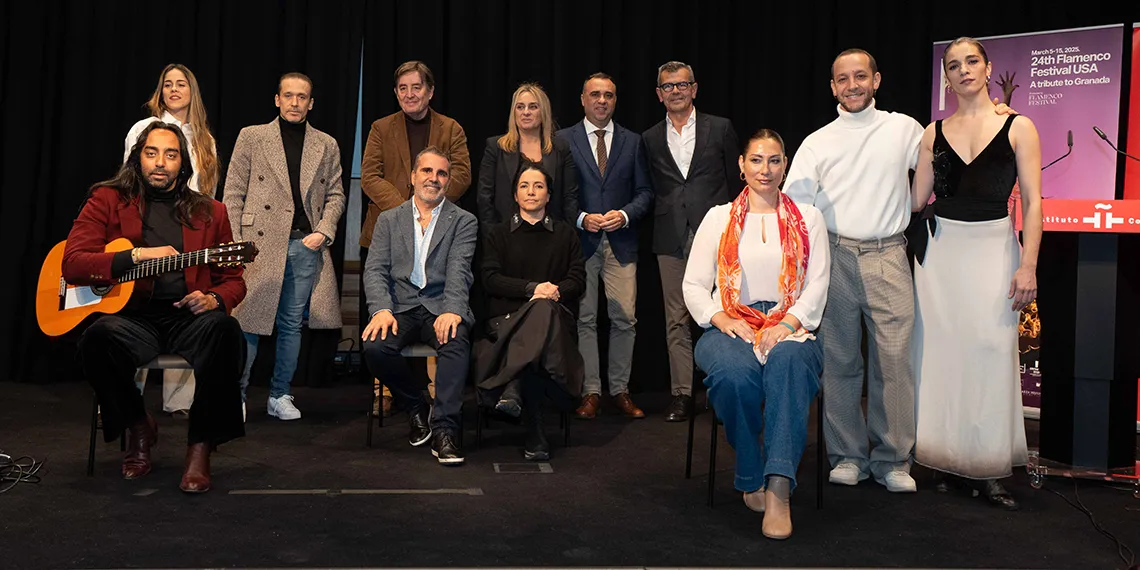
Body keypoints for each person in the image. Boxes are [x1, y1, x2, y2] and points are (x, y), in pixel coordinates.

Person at [783, 48, 1015, 492]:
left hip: (889, 253)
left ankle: (892, 460)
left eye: (860, 76)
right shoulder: (817, 141)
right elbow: (797, 209)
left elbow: (951, 152)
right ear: (832, 87)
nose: (852, 85)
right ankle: (847, 455)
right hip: (833, 256)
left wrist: (995, 111)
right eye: (842, 79)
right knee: (841, 362)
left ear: (876, 80)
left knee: (894, 363)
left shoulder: (906, 129)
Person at [64, 122, 245, 493]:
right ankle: (138, 424)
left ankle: (199, 447)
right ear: (138, 158)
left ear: (183, 163)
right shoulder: (107, 199)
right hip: (132, 318)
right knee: (95, 340)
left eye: (171, 154)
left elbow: (234, 279)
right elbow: (74, 263)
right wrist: (136, 255)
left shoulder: (211, 211)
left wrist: (215, 298)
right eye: (152, 153)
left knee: (226, 332)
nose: (160, 163)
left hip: (187, 316)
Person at [910, 37, 1041, 510]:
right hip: (941, 257)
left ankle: (986, 470)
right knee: (941, 357)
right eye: (953, 65)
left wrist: (1029, 264)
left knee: (989, 353)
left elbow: (1033, 201)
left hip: (994, 251)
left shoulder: (1019, 126)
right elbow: (913, 199)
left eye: (971, 62)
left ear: (988, 69)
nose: (962, 70)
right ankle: (943, 462)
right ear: (945, 77)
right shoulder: (931, 134)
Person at [684, 129, 829, 540]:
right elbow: (694, 285)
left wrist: (786, 324)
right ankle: (750, 474)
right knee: (733, 376)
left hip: (792, 325)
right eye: (757, 160)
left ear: (785, 165)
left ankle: (779, 488)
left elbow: (817, 284)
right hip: (730, 323)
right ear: (742, 165)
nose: (765, 169)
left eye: (775, 160)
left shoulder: (810, 218)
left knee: (788, 367)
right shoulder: (718, 217)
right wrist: (720, 318)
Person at [223, 72, 346, 421]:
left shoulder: (326, 144)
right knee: (247, 320)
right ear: (277, 99)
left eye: (302, 96)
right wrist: (237, 243)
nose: (295, 102)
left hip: (303, 244)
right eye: (288, 96)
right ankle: (237, 395)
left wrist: (323, 231)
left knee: (292, 324)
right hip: (257, 245)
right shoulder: (253, 136)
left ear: (311, 102)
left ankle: (280, 394)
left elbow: (336, 194)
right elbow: (233, 192)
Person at [360, 61, 472, 418]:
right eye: (403, 88)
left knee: (442, 320)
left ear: (430, 91)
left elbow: (463, 174)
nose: (410, 94)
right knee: (384, 319)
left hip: (439, 233)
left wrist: (432, 203)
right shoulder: (380, 127)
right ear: (396, 93)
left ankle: (437, 397)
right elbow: (369, 176)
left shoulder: (450, 128)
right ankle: (387, 393)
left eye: (417, 87)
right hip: (388, 233)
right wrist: (408, 210)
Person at [361, 147, 478, 466]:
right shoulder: (388, 219)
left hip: (441, 304)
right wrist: (381, 308)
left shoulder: (463, 221)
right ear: (413, 177)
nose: (433, 178)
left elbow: (459, 268)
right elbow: (375, 270)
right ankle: (415, 405)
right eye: (427, 171)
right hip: (399, 305)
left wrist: (453, 309)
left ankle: (445, 431)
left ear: (448, 180)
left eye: (441, 173)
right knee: (374, 347)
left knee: (455, 341)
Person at [641, 61, 739, 422]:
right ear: (659, 94)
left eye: (683, 84)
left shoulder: (721, 128)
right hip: (670, 235)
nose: (676, 91)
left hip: (716, 233)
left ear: (694, 89)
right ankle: (682, 394)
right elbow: (651, 186)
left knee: (724, 312)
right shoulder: (649, 138)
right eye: (668, 86)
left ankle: (722, 388)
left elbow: (733, 180)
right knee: (675, 318)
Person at [122, 63, 221, 419]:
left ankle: (178, 401)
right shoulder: (142, 129)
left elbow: (207, 194)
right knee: (135, 306)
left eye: (182, 84)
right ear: (160, 91)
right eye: (168, 84)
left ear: (192, 91)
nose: (174, 90)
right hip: (149, 229)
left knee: (185, 306)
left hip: (189, 231)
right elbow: (129, 181)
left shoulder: (203, 138)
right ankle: (122, 394)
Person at [555, 72, 653, 420]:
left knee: (625, 318)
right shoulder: (562, 139)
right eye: (595, 94)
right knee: (584, 318)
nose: (601, 101)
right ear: (582, 99)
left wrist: (625, 216)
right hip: (580, 241)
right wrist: (582, 218)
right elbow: (558, 195)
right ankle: (591, 391)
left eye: (608, 95)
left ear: (615, 100)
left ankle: (620, 389)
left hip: (621, 242)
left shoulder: (632, 140)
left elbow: (645, 193)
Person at [474, 162, 586, 460]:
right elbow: (490, 278)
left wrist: (552, 293)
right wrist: (533, 289)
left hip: (555, 320)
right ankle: (535, 434)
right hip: (506, 322)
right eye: (524, 185)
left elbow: (577, 279)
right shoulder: (497, 234)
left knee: (544, 313)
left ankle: (510, 385)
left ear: (549, 195)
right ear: (515, 194)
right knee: (539, 319)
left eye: (538, 186)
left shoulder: (565, 234)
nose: (531, 191)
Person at [477, 83, 578, 227]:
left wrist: (566, 235)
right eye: (520, 107)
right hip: (505, 237)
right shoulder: (496, 147)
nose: (526, 112)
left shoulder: (560, 149)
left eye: (533, 107)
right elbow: (485, 198)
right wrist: (493, 238)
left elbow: (570, 197)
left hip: (552, 236)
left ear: (543, 112)